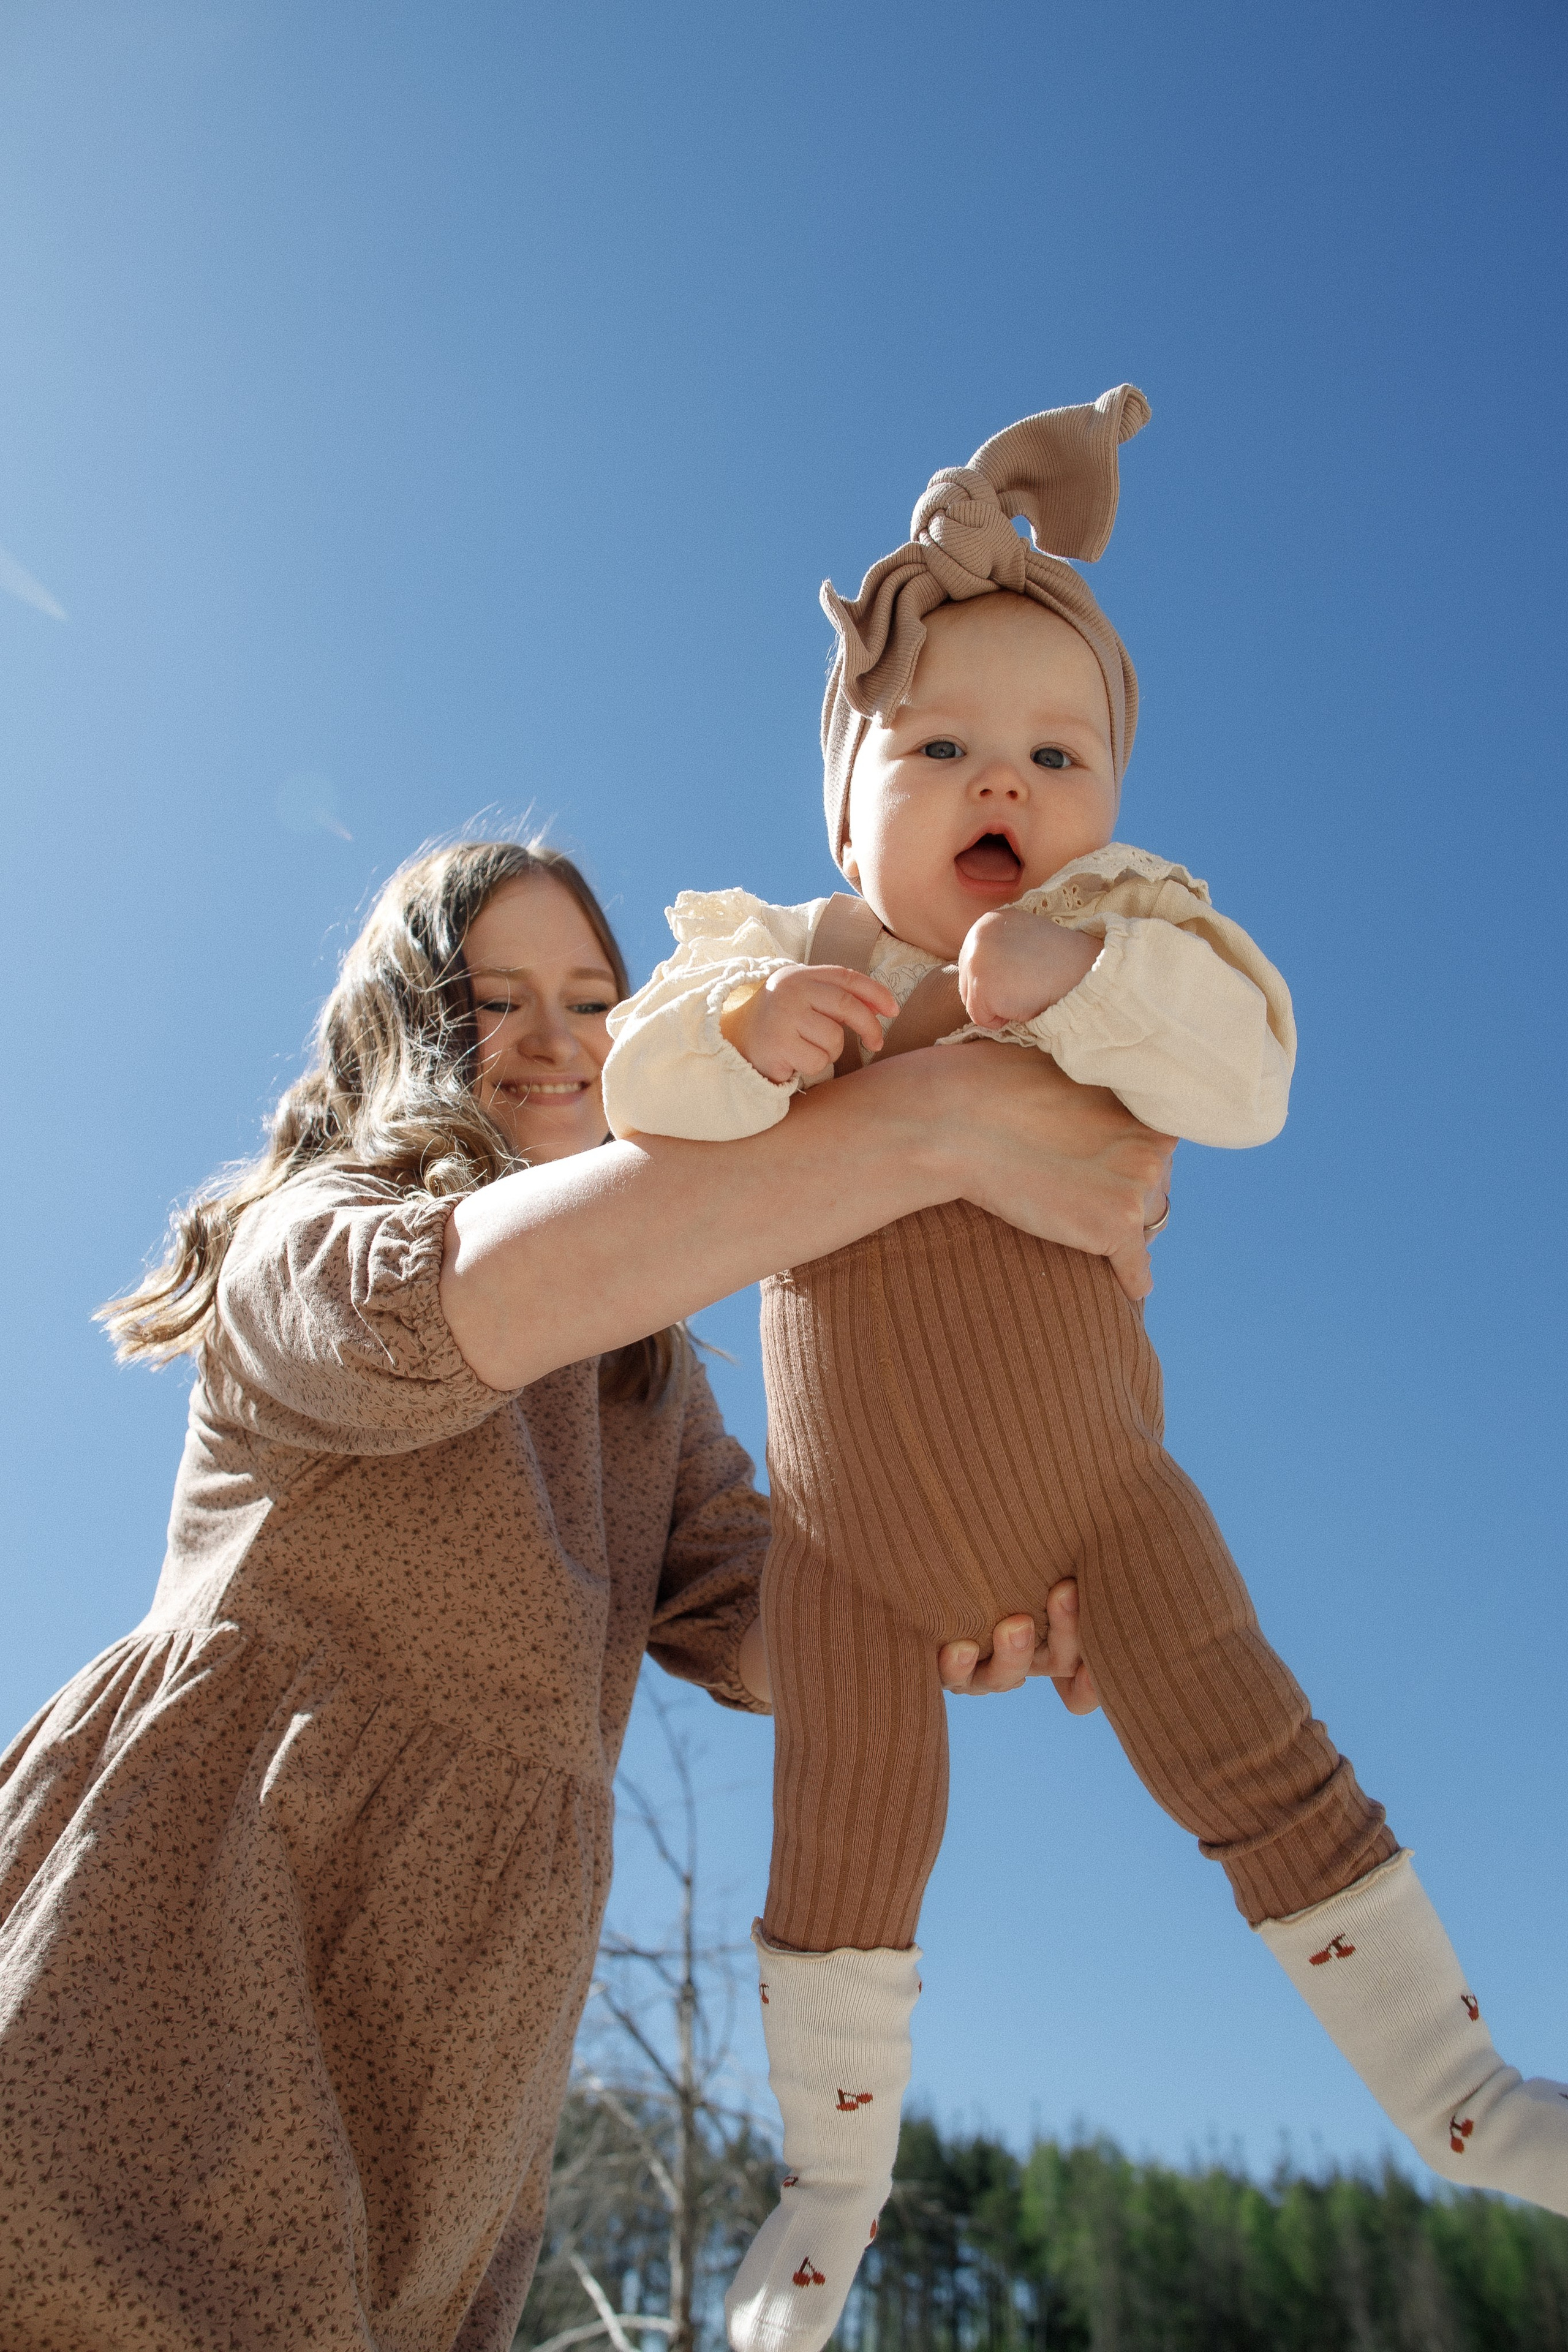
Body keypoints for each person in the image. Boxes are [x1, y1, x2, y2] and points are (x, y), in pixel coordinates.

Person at [601, 389, 1568, 2352]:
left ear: (1115, 791)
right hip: (853, 1560)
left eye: (1057, 752)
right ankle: (831, 2193)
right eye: (940, 744)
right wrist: (746, 1035)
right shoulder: (785, 958)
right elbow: (641, 1086)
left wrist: (1095, 986)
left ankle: (1465, 2103)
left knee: (1256, 1759)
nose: (1002, 785)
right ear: (844, 796)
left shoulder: (1125, 928)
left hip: (1107, 1515)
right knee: (849, 1850)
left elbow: (1256, 1084)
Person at [0, 836, 1162, 2351]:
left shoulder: (641, 1379)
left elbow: (766, 1606)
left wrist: (970, 1587)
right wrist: (919, 1126)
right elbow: (463, 1298)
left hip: (475, 2013)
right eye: (492, 999)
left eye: (591, 997)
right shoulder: (307, 1241)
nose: (554, 1038)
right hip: (209, 1917)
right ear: (397, 1031)